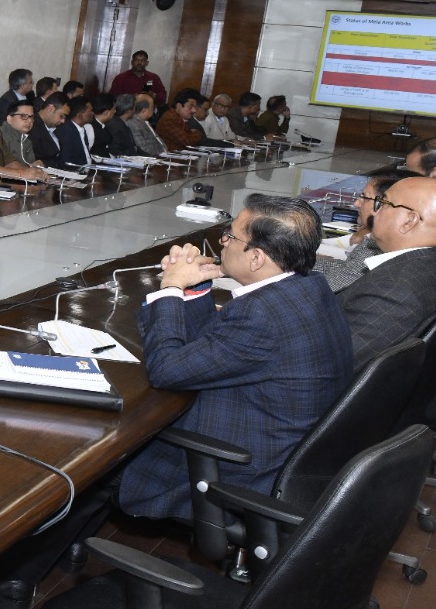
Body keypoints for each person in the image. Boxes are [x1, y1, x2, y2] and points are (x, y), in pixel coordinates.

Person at [117, 195, 353, 521]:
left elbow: (165, 370)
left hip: (237, 472)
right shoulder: (309, 287)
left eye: (230, 235)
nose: (222, 241)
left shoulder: (262, 316)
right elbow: (212, 345)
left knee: (97, 468)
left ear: (256, 258)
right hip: (281, 451)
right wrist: (195, 286)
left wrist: (170, 286)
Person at [339, 175, 436, 369]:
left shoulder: (393, 290)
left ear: (409, 221)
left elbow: (328, 362)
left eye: (383, 203)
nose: (375, 211)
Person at [314, 167, 414, 291]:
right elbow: (348, 269)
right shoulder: (390, 241)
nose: (356, 203)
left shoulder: (383, 244)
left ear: (383, 204)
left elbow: (333, 286)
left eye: (364, 197)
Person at [29, 92, 72, 170]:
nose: (63, 121)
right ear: (50, 108)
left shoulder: (59, 127)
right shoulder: (31, 126)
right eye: (61, 116)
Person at [0, 99, 39, 167]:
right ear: (9, 119)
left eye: (32, 117)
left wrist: (36, 166)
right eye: (23, 116)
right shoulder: (0, 137)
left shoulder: (27, 141)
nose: (29, 120)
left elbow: (29, 166)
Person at [89, 93, 118, 157]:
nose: (115, 111)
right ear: (106, 113)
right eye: (114, 109)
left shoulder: (101, 124)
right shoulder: (91, 128)